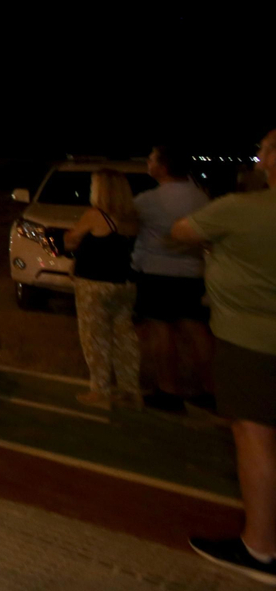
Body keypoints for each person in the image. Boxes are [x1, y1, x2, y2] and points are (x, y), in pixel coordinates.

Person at [174, 129, 276, 584]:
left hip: (254, 342)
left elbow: (182, 230)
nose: (258, 158)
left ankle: (260, 547)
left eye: (264, 151)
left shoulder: (242, 209)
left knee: (255, 436)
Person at [132, 145, 213, 412]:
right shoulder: (200, 197)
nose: (148, 162)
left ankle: (169, 390)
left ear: (163, 167)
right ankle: (211, 390)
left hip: (157, 273)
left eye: (151, 159)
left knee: (161, 330)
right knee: (196, 329)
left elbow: (128, 223)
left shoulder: (149, 200)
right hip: (192, 272)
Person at [66, 169, 142, 410]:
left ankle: (100, 390)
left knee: (95, 338)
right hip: (125, 284)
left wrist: (71, 237)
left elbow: (71, 240)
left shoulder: (95, 215)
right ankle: (130, 391)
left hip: (94, 284)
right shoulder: (132, 218)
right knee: (124, 338)